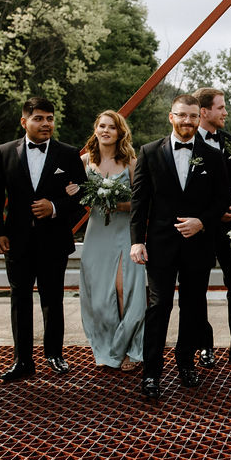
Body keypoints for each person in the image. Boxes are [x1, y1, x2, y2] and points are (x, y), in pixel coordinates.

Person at [131, 94, 230, 398]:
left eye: (192, 116)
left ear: (199, 118)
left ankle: (186, 363)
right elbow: (140, 201)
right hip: (160, 245)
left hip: (198, 245)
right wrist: (136, 241)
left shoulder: (213, 156)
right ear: (170, 117)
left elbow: (222, 201)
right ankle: (151, 374)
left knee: (193, 305)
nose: (187, 121)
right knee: (158, 306)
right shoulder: (149, 152)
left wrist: (202, 221)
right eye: (181, 115)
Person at [0, 97, 87, 383]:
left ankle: (54, 354)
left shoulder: (68, 154)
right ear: (24, 122)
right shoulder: (4, 151)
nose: (46, 124)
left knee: (52, 297)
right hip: (16, 240)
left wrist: (55, 207)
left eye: (49, 118)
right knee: (19, 299)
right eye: (39, 118)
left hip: (53, 238)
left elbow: (83, 196)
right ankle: (22, 360)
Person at [75, 111, 145, 371]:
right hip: (97, 234)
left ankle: (130, 349)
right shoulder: (83, 162)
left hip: (124, 232)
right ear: (95, 130)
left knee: (124, 290)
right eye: (101, 126)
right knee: (99, 297)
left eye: (111, 127)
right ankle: (106, 347)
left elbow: (140, 203)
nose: (106, 131)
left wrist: (117, 204)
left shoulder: (131, 163)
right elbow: (73, 198)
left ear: (120, 132)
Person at [193, 87, 231, 367]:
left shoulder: (229, 141)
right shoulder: (188, 144)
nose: (225, 112)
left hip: (230, 225)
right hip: (201, 227)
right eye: (221, 108)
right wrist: (209, 215)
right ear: (205, 112)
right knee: (197, 287)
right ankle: (204, 345)